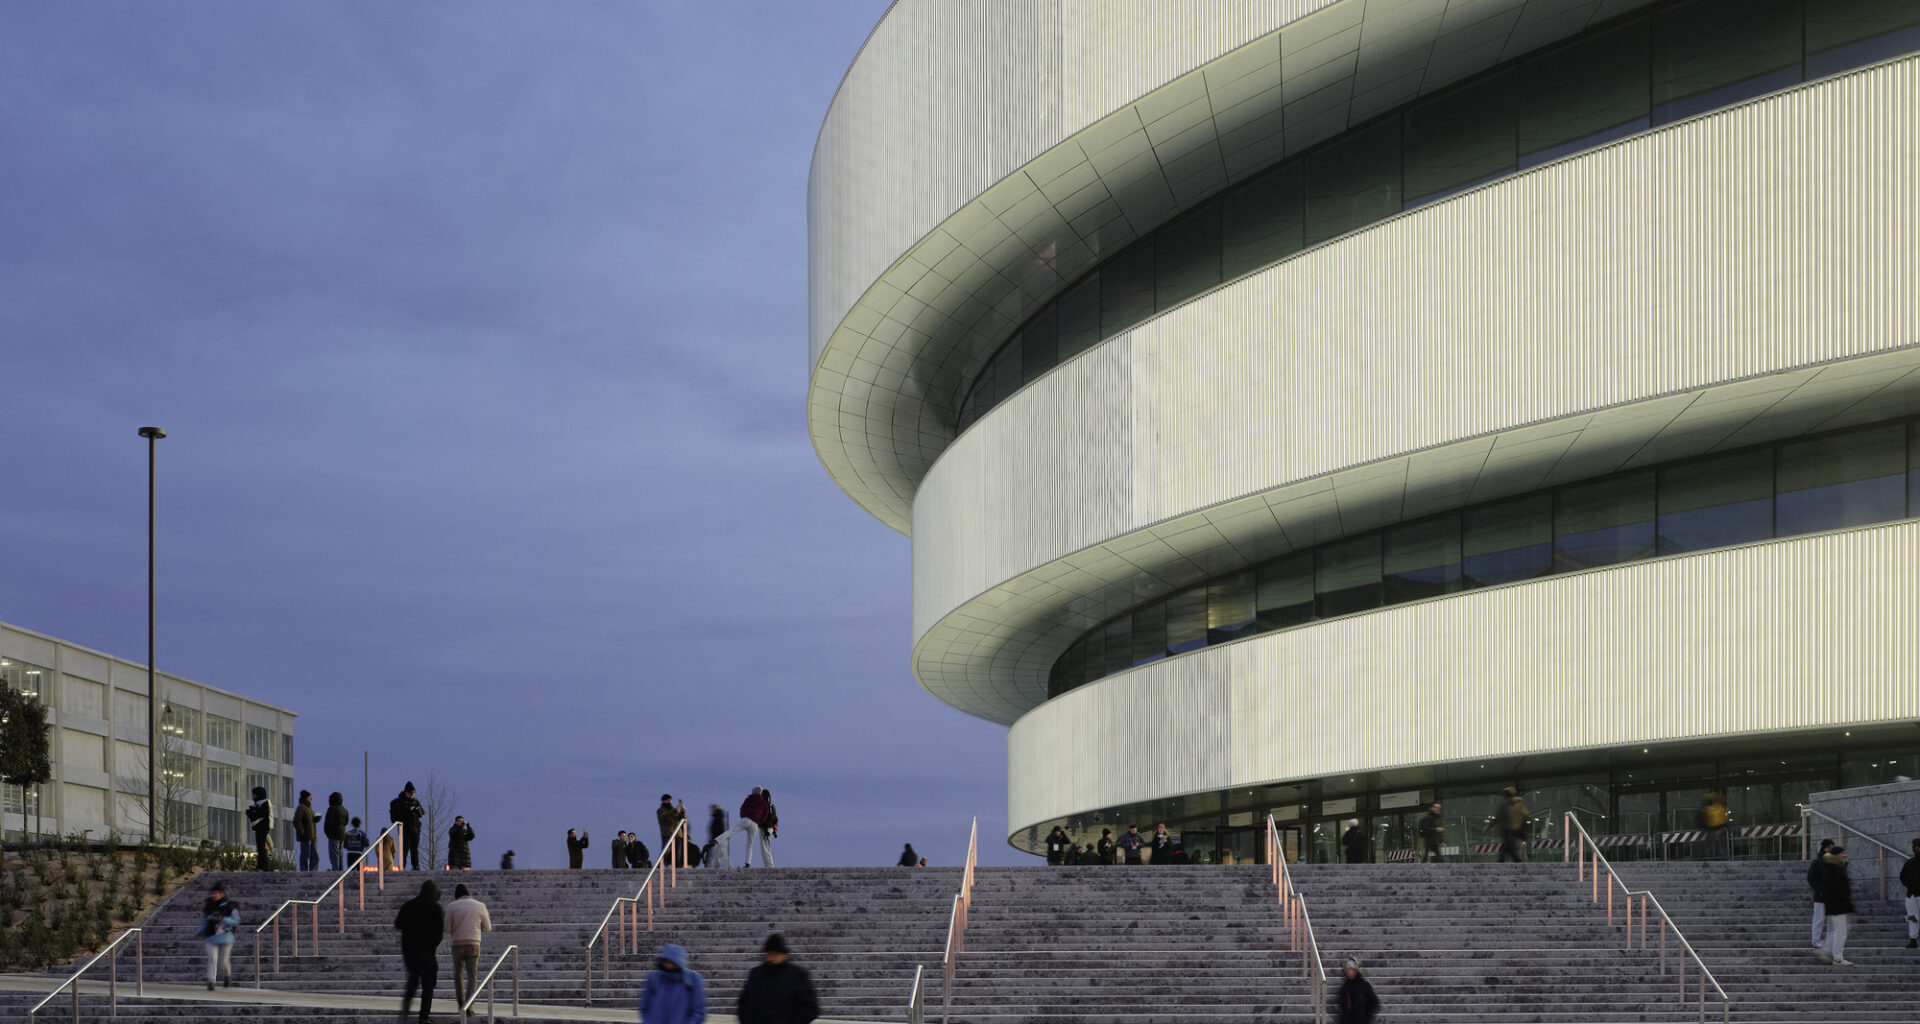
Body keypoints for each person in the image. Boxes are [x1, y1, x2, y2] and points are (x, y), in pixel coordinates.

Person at [736, 933, 818, 1024]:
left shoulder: (798, 975)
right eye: (769, 953)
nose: (772, 957)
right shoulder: (755, 974)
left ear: (784, 955)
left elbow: (810, 1008)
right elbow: (743, 1004)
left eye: (776, 954)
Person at [395, 879, 444, 1022]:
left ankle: (405, 1007)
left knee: (413, 979)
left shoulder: (408, 905)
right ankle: (423, 1017)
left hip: (409, 952)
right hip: (427, 953)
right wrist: (432, 945)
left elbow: (398, 924)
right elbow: (438, 933)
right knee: (428, 987)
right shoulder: (435, 908)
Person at [445, 883, 492, 1015]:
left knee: (458, 974)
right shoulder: (480, 906)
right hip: (473, 943)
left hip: (457, 944)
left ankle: (461, 1003)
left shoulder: (452, 906)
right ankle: (469, 1006)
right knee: (472, 975)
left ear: (456, 895)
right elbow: (487, 927)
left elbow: (447, 928)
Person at [640, 942, 707, 1024]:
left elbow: (699, 1012)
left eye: (672, 962)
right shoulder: (654, 978)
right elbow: (644, 1008)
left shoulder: (693, 979)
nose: (668, 964)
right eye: (666, 961)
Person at [1814, 846, 1855, 965]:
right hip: (1838, 906)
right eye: (1842, 853)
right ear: (1836, 855)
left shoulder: (1836, 867)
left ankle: (1832, 953)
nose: (1844, 855)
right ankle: (1837, 957)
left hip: (1838, 905)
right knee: (1840, 932)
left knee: (1840, 931)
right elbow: (1835, 889)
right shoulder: (1833, 869)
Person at [197, 879, 240, 990]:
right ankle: (211, 981)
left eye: (217, 893)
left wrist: (224, 919)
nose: (214, 895)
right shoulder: (208, 906)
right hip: (211, 936)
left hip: (226, 937)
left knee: (223, 961)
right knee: (213, 958)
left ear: (221, 894)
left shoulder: (230, 906)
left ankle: (227, 975)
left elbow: (236, 921)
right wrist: (200, 931)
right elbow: (205, 920)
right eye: (213, 893)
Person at [715, 788, 770, 868]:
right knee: (750, 844)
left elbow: (742, 809)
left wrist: (744, 816)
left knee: (731, 831)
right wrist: (759, 823)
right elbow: (765, 816)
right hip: (754, 824)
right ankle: (747, 863)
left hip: (746, 820)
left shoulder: (749, 799)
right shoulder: (764, 803)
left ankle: (716, 841)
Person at [390, 782, 426, 870]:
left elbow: (422, 813)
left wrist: (417, 810)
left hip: (415, 828)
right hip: (405, 829)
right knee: (404, 848)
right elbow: (398, 813)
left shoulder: (416, 802)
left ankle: (415, 865)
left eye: (413, 793)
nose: (411, 794)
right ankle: (403, 865)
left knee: (414, 849)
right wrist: (409, 810)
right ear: (406, 792)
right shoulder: (400, 801)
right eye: (410, 793)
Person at [1808, 838, 1834, 950]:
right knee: (1819, 919)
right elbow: (1811, 878)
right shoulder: (1817, 863)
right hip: (1820, 896)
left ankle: (1830, 942)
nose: (1830, 850)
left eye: (1832, 848)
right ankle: (1816, 941)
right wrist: (1819, 890)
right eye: (1828, 847)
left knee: (1832, 922)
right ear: (1823, 848)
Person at [1335, 957, 1379, 1023]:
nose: (1348, 972)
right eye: (1347, 970)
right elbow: (1341, 1005)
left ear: (1355, 970)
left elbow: (1374, 1002)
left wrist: (1367, 1016)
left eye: (1350, 969)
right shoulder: (1345, 987)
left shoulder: (1364, 985)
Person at [1496, 788, 1530, 863]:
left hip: (1506, 828)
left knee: (1508, 845)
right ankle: (1513, 859)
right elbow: (1526, 814)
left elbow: (1498, 817)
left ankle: (1511, 859)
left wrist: (1489, 826)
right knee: (1509, 845)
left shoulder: (1504, 805)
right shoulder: (1519, 803)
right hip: (1515, 828)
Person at [245, 785, 274, 870]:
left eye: (254, 795)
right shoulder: (258, 805)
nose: (253, 797)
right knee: (260, 847)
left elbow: (260, 814)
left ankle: (263, 866)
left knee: (262, 848)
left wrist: (252, 814)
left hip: (263, 827)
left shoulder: (264, 803)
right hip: (259, 828)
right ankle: (261, 865)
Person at [323, 792, 350, 872]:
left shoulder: (331, 809)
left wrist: (327, 833)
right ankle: (341, 869)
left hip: (333, 835)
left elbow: (328, 823)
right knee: (340, 853)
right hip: (342, 834)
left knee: (334, 853)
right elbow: (346, 822)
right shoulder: (344, 810)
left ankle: (335, 869)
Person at [1699, 791, 1729, 859]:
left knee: (1709, 845)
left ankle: (1709, 858)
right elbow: (1725, 819)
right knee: (1721, 846)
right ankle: (1723, 858)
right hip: (1721, 829)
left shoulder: (1708, 809)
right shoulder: (1721, 808)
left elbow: (1705, 819)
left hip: (1712, 829)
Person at [1902, 837, 1920, 949]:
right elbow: (1902, 876)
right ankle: (1913, 940)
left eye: (1919, 846)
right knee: (1912, 918)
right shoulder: (1910, 862)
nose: (1917, 848)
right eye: (1915, 846)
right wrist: (1908, 885)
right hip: (1911, 896)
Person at [294, 790, 319, 871]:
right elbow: (296, 821)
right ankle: (304, 870)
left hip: (313, 836)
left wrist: (316, 819)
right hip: (306, 836)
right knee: (305, 855)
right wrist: (302, 833)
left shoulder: (309, 808)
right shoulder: (301, 807)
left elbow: (310, 821)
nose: (311, 798)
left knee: (314, 856)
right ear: (305, 798)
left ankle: (313, 870)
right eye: (309, 797)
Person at [657, 794, 686, 862]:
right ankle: (659, 866)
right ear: (663, 801)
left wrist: (682, 811)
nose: (669, 801)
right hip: (667, 834)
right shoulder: (660, 811)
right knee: (665, 852)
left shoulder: (673, 810)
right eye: (667, 800)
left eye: (670, 800)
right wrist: (675, 810)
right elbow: (666, 819)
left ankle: (677, 868)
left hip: (677, 834)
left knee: (678, 853)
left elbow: (681, 819)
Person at [759, 789, 780, 867]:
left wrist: (768, 830)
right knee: (766, 847)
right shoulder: (772, 806)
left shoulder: (766, 806)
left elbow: (770, 819)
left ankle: (769, 866)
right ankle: (769, 866)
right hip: (769, 828)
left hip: (766, 829)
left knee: (764, 848)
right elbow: (775, 819)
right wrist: (774, 830)